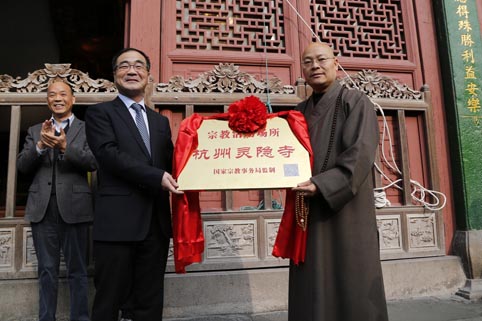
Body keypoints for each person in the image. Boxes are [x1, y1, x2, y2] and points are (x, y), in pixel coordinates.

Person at [289, 42, 389, 321]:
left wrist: (322, 185)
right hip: (308, 208)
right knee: (311, 280)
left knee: (351, 276)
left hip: (346, 208)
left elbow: (360, 154)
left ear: (336, 62)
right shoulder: (299, 111)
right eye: (307, 62)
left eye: (321, 59)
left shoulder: (355, 101)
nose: (315, 66)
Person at [85, 47, 182, 321]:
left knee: (150, 302)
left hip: (156, 224)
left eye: (139, 66)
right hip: (117, 224)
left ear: (148, 75)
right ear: (115, 76)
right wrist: (156, 177)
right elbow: (108, 155)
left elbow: (173, 162)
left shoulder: (160, 121)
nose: (132, 71)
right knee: (108, 301)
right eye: (124, 66)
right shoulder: (100, 114)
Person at [17, 80, 96, 321]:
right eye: (52, 95)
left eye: (63, 94)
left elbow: (94, 162)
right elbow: (21, 166)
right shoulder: (34, 130)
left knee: (78, 270)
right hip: (42, 208)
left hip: (76, 208)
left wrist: (64, 147)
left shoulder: (87, 129)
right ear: (47, 100)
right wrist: (40, 145)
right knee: (47, 270)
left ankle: (80, 318)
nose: (58, 98)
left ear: (73, 100)